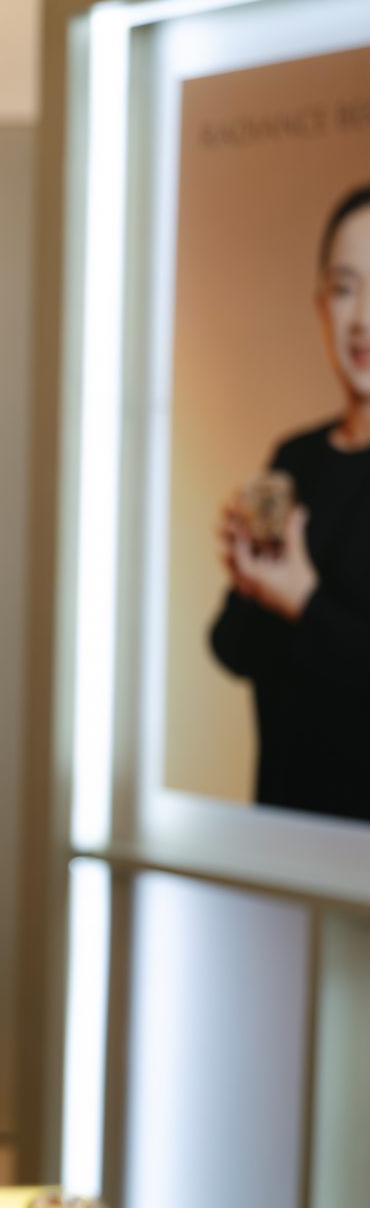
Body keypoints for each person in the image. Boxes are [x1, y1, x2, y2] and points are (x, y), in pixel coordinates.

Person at [208, 181, 370, 822]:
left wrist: (302, 601)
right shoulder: (296, 459)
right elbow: (231, 648)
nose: (362, 318)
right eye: (345, 287)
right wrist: (250, 581)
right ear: (320, 305)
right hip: (277, 838)